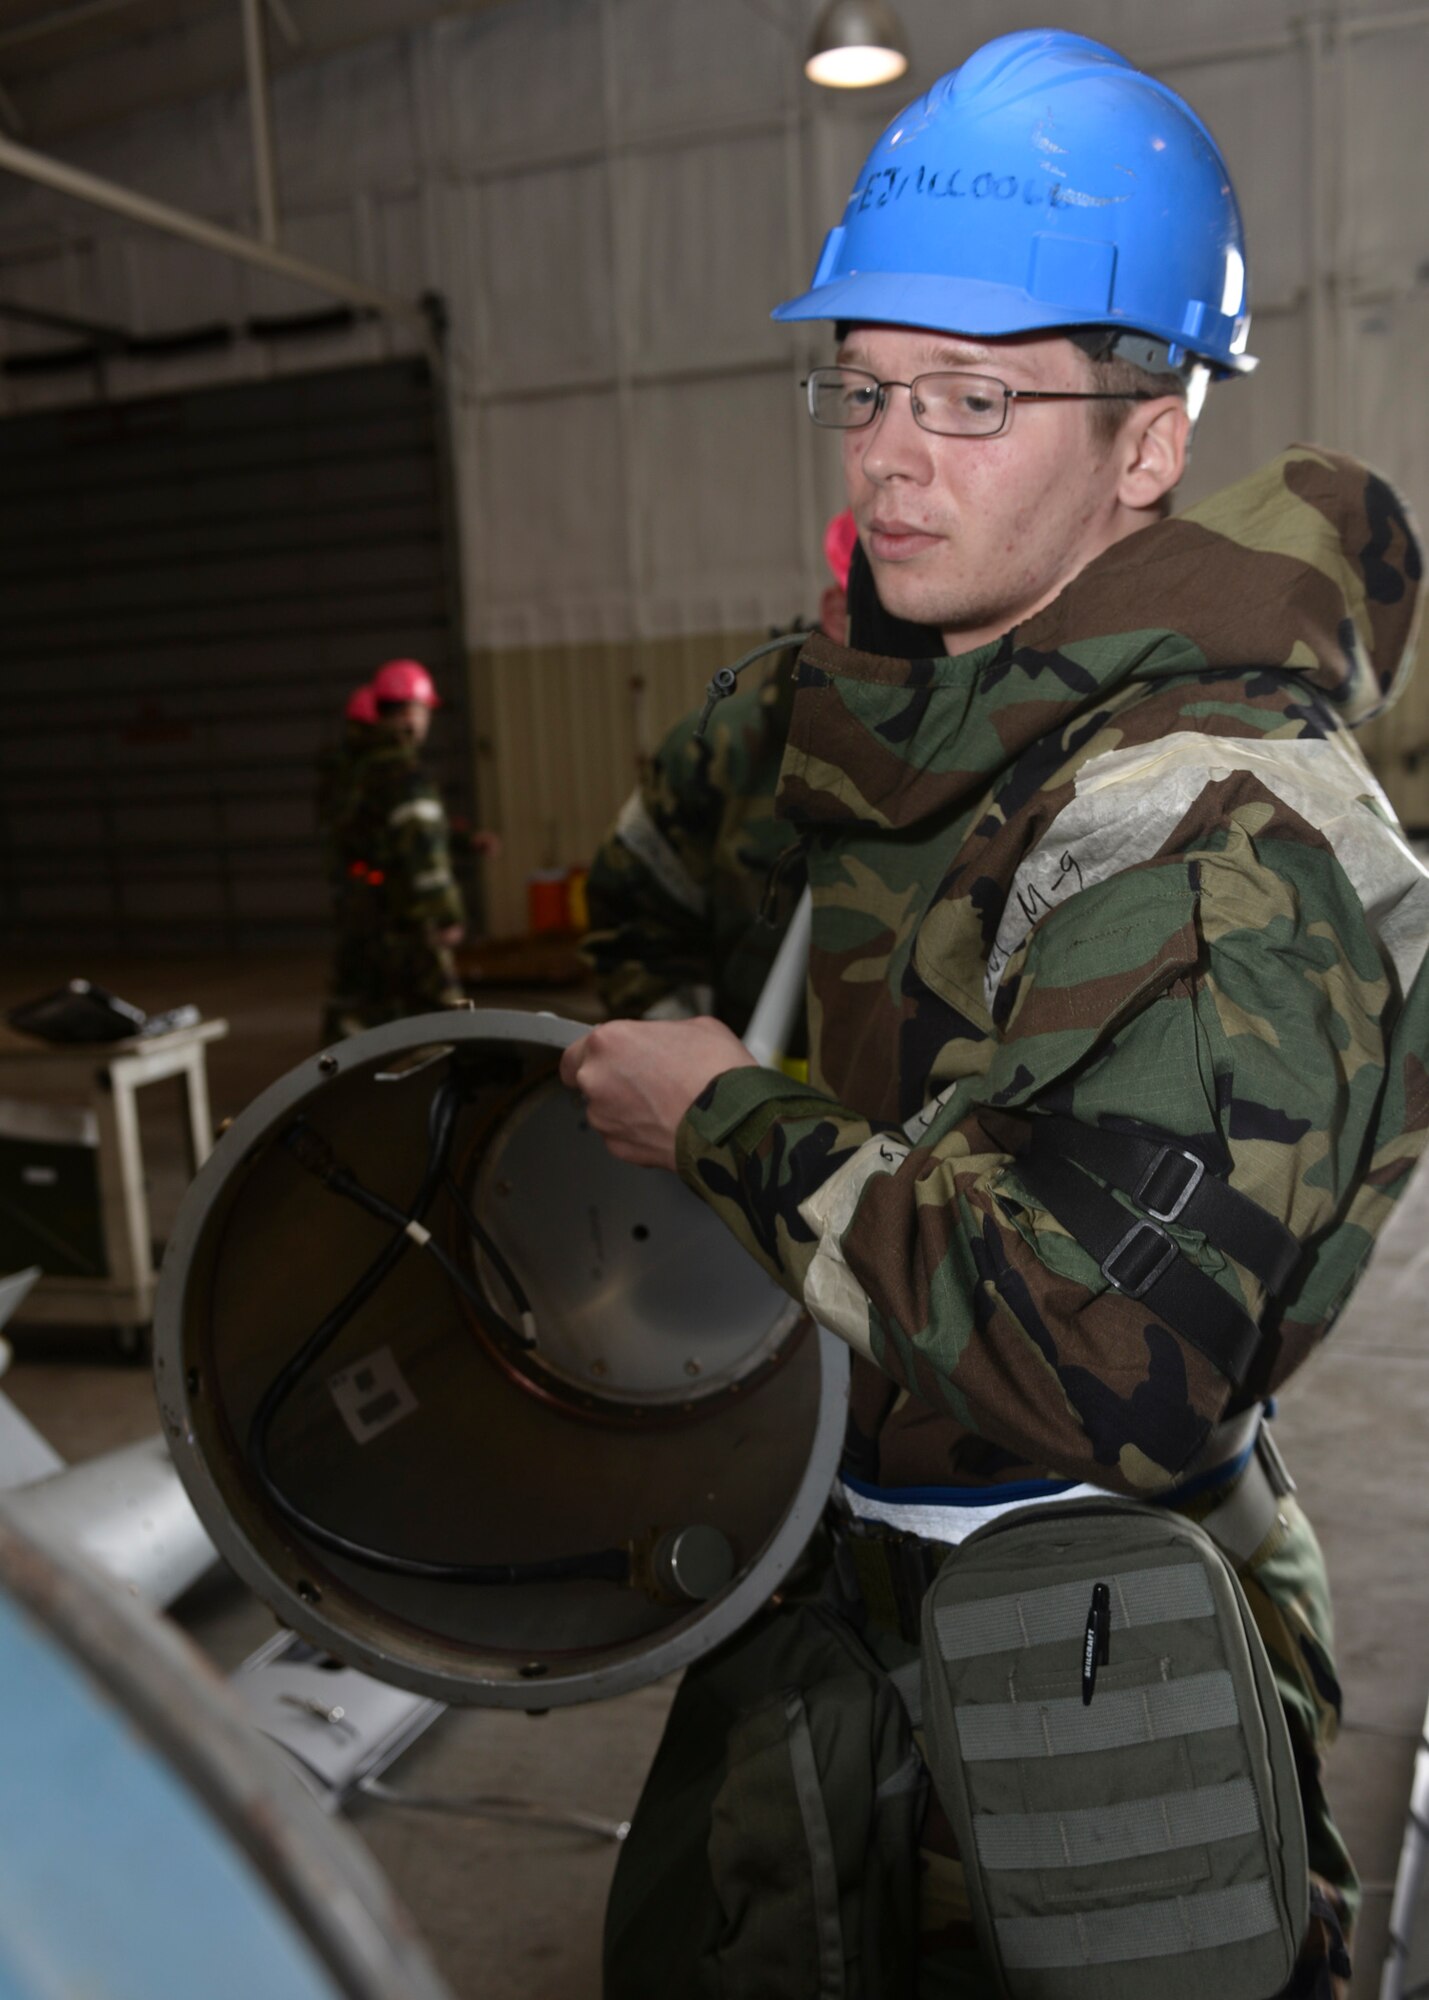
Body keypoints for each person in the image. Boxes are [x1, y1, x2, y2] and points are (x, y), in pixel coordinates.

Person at [559, 29, 1429, 1998]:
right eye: (863, 384)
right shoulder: (870, 712)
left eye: (971, 396)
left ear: (1146, 439)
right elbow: (652, 898)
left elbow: (1108, 1353)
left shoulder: (1218, 833)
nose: (885, 452)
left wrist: (728, 1126)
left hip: (1094, 1615)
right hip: (823, 1554)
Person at [581, 510, 857, 1043]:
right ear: (837, 613)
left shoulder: (978, 757)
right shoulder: (718, 755)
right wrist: (689, 1065)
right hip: (746, 1108)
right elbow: (634, 912)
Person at [322, 658, 470, 1036]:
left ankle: (342, 1090)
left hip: (365, 908)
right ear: (408, 712)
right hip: (405, 916)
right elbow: (420, 845)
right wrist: (445, 913)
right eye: (423, 710)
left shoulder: (358, 769)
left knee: (355, 1014)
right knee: (450, 1017)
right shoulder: (403, 773)